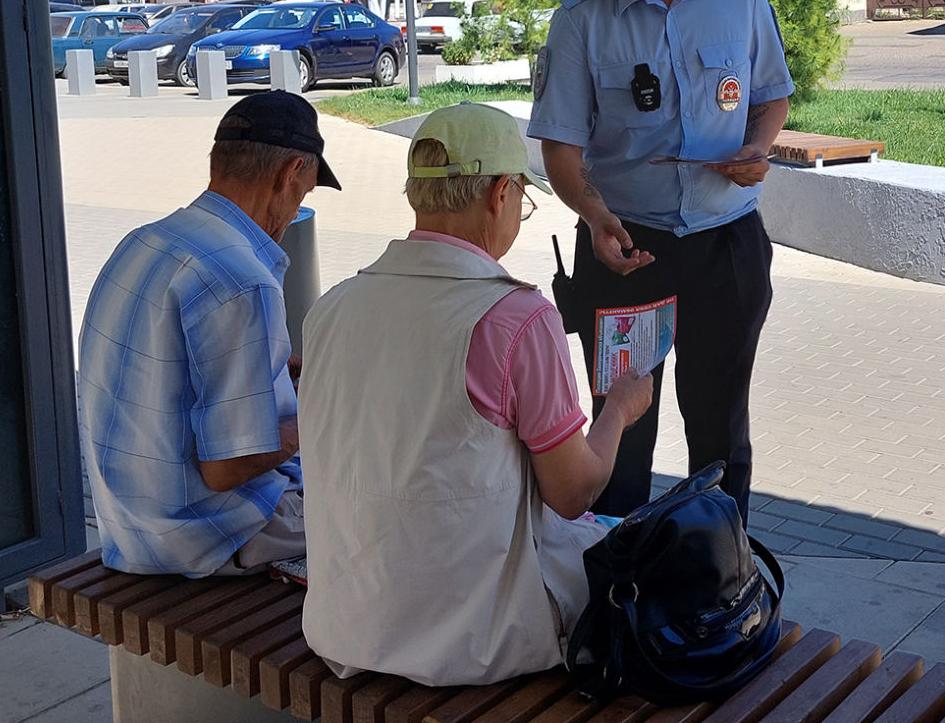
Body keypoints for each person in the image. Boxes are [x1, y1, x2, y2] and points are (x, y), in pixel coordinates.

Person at [298, 102, 653, 685]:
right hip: (475, 641)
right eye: (523, 198)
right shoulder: (515, 317)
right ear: (500, 193)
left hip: (347, 626)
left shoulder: (332, 306)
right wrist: (618, 410)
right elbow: (572, 493)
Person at [528, 0, 794, 521]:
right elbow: (560, 149)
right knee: (620, 438)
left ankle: (716, 582)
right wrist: (593, 217)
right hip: (628, 256)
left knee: (719, 431)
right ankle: (614, 594)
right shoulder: (581, 22)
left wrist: (758, 148)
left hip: (724, 245)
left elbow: (770, 96)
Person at [80, 91, 341, 576]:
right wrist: (324, 408)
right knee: (387, 506)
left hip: (128, 526)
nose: (294, 211)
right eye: (303, 193)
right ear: (289, 174)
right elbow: (227, 469)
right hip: (202, 536)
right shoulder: (243, 279)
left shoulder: (145, 240)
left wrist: (274, 377)